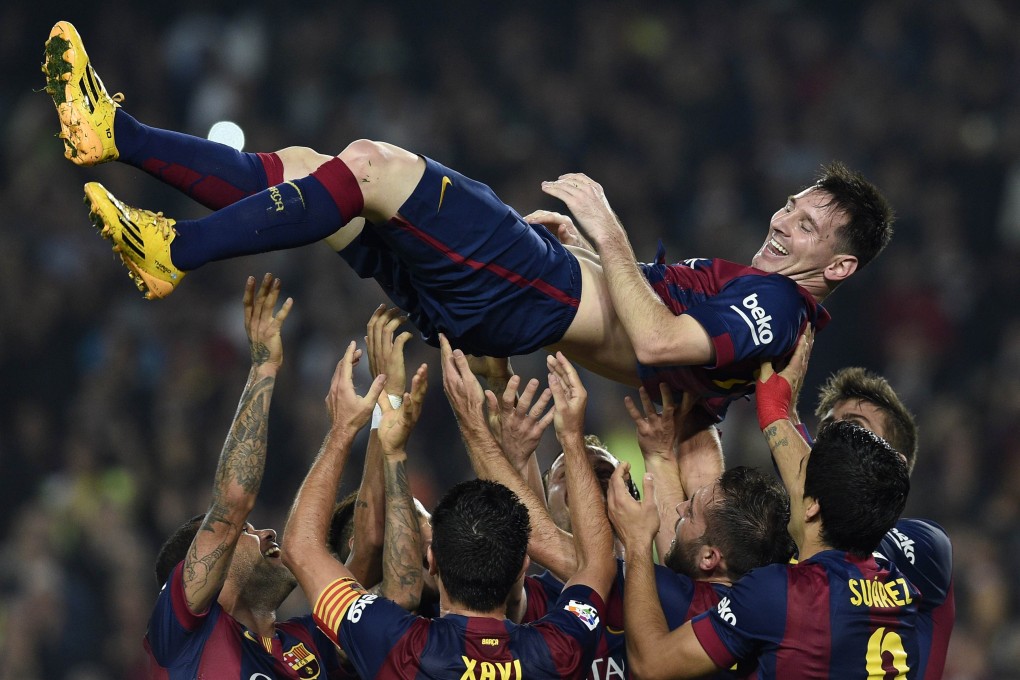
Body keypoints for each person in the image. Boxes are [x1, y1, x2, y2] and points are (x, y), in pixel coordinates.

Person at [43, 21, 893, 420]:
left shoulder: (778, 311)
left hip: (529, 295)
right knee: (315, 170)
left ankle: (176, 250)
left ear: (840, 268)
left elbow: (663, 347)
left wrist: (606, 234)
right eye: (796, 202)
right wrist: (603, 265)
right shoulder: (760, 313)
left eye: (813, 226)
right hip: (513, 304)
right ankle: (109, 132)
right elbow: (672, 365)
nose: (788, 217)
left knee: (372, 163)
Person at [441, 346, 795, 680]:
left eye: (604, 475)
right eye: (570, 476)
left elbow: (540, 536)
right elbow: (530, 532)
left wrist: (477, 421)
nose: (679, 506)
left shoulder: (668, 590)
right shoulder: (730, 594)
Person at [281, 342, 614, 678]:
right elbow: (596, 563)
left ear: (433, 561)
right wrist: (571, 437)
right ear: (523, 564)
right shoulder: (560, 647)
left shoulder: (398, 644)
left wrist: (342, 431)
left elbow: (301, 548)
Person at [145, 274, 346, 679]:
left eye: (250, 529)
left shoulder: (309, 641)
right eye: (248, 531)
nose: (268, 533)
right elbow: (233, 502)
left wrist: (368, 433)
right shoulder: (186, 636)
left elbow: (375, 571)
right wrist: (264, 366)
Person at [609, 418, 918, 679]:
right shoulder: (902, 591)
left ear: (812, 508)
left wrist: (637, 542)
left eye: (799, 477)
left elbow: (652, 665)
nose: (791, 485)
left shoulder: (780, 594)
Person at [757, 330, 954, 680]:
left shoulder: (927, 549)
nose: (832, 437)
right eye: (828, 428)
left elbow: (832, 493)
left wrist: (777, 411)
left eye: (854, 428)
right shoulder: (783, 543)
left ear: (894, 463)